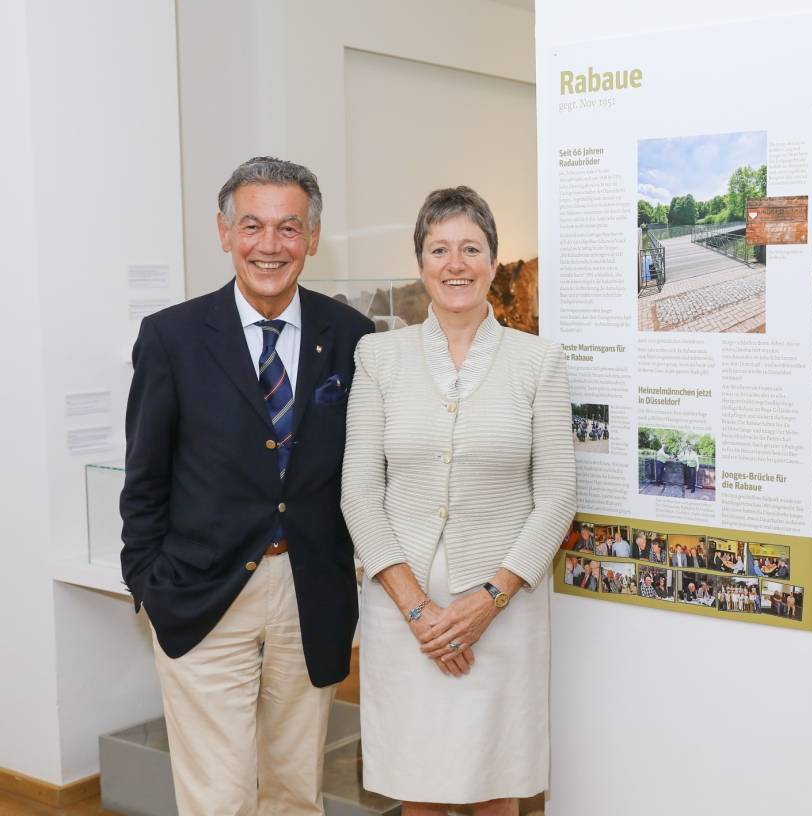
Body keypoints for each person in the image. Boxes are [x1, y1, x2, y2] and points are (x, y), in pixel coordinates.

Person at [119, 157, 374, 815]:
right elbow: (144, 476)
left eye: (288, 229)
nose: (270, 245)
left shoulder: (350, 337)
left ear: (312, 238)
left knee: (294, 791)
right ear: (224, 232)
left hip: (309, 593)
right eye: (252, 226)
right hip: (202, 594)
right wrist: (147, 583)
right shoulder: (171, 337)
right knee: (219, 798)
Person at [341, 186, 577, 814]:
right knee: (419, 789)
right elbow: (359, 490)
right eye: (439, 248)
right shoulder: (378, 356)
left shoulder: (540, 361)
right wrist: (419, 611)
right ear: (420, 263)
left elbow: (557, 495)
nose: (455, 263)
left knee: (493, 789)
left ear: (493, 262)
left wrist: (490, 598)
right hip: (403, 612)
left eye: (471, 248)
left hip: (503, 613)